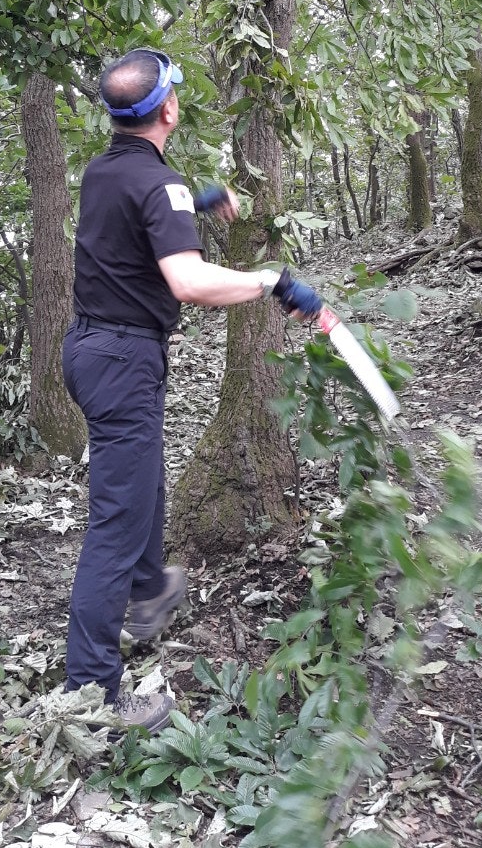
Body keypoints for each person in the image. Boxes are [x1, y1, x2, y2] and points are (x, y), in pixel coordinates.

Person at [61, 46, 322, 734]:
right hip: (122, 361)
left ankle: (149, 594)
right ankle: (91, 694)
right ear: (169, 109)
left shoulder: (105, 172)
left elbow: (131, 222)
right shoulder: (160, 186)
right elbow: (189, 282)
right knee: (114, 525)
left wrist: (197, 201)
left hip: (92, 351)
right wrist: (271, 281)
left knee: (143, 487)